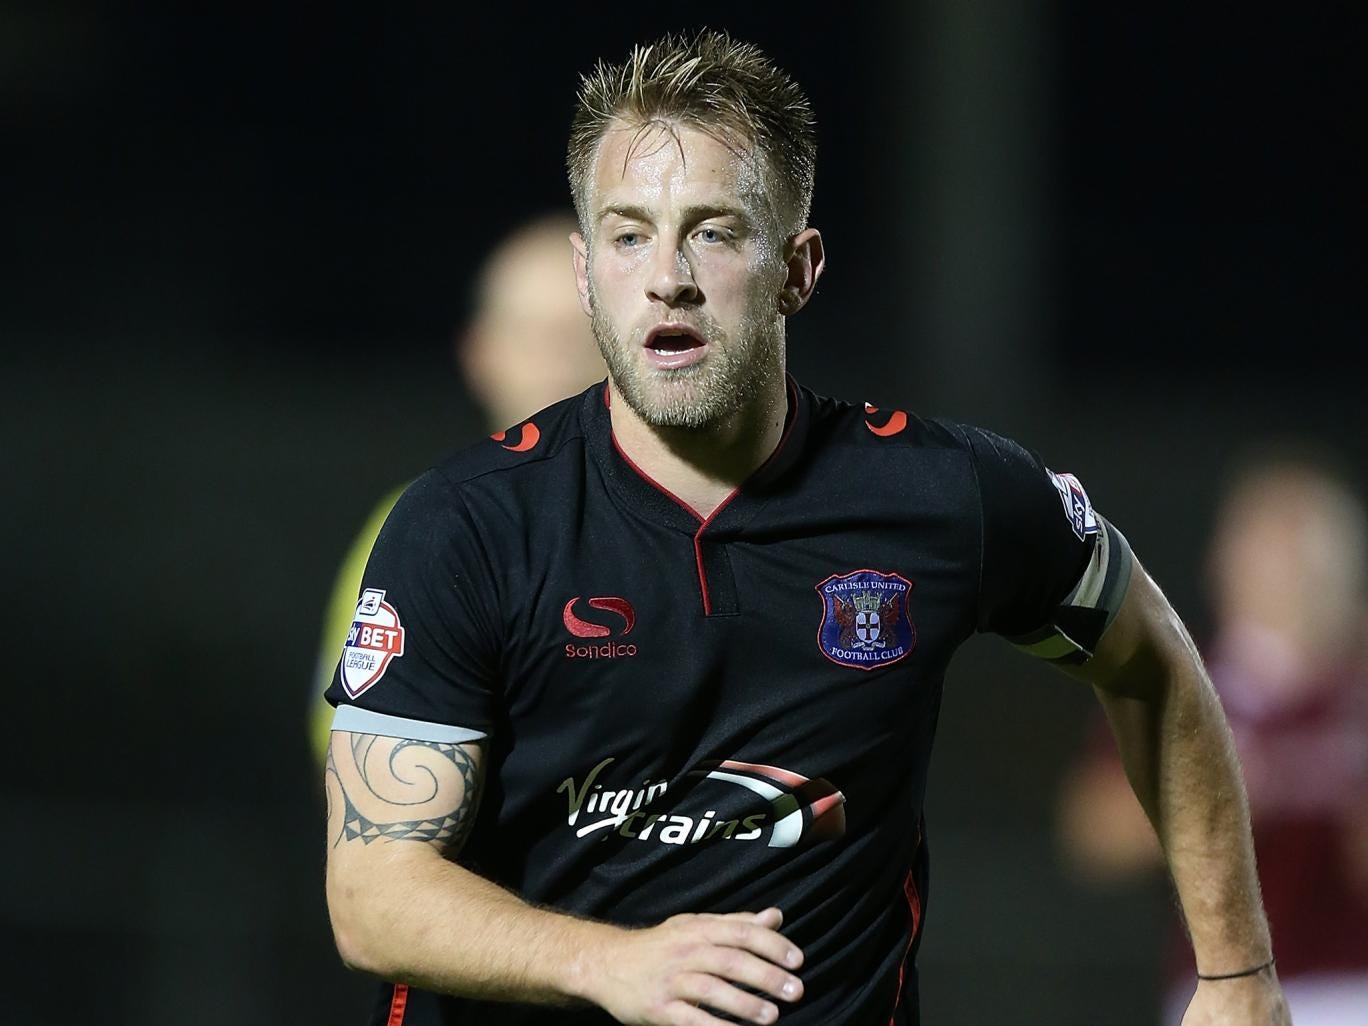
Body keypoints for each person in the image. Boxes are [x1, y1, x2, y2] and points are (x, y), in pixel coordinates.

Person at [321, 30, 1289, 1026]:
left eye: (714, 231)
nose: (668, 276)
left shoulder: (946, 494)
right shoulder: (465, 524)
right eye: (628, 233)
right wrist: (611, 965)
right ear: (585, 269)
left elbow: (1152, 666)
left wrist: (1236, 975)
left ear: (798, 267)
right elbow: (370, 896)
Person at [1059, 454, 1368, 1025]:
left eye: (1302, 549)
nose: (1286, 571)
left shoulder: (1355, 690)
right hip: (1225, 987)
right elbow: (1094, 833)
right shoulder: (1184, 680)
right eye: (1268, 545)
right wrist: (1222, 791)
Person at [308, 215, 606, 761]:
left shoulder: (706, 515)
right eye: (531, 334)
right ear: (479, 354)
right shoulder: (416, 525)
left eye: (584, 330)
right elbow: (353, 755)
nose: (560, 358)